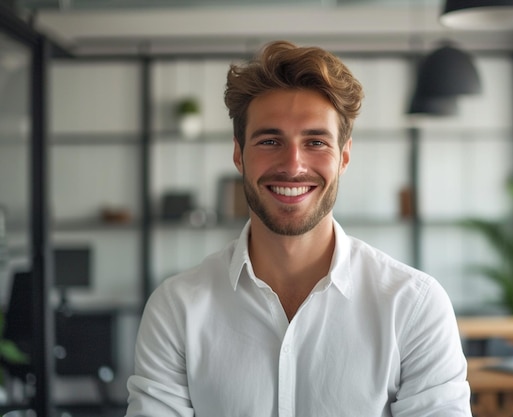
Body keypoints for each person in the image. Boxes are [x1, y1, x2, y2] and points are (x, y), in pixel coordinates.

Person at [125, 40, 472, 417]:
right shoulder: (176, 308)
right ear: (239, 154)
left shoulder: (414, 306)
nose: (293, 165)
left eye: (316, 142)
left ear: (344, 156)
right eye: (270, 140)